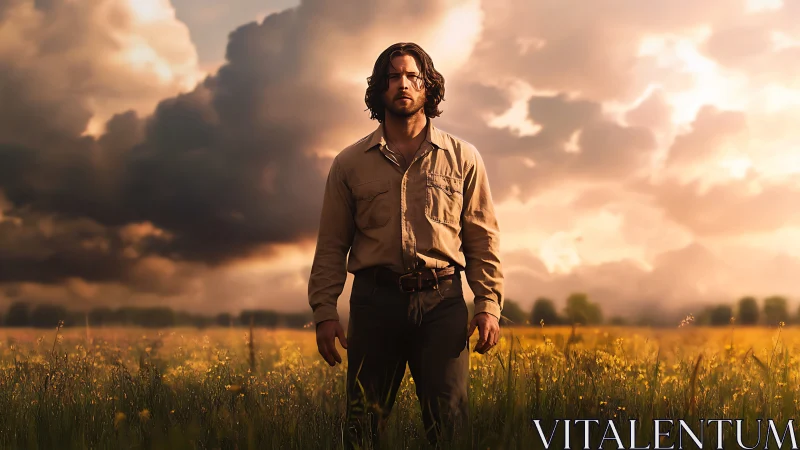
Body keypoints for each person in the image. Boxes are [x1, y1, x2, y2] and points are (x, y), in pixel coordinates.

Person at [308, 42, 504, 449]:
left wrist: (488, 303)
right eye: (393, 76)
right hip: (374, 303)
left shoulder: (463, 157)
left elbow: (482, 239)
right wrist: (324, 310)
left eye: (412, 76)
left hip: (442, 303)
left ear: (428, 87)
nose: (403, 84)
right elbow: (331, 244)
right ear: (379, 90)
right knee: (362, 426)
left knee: (449, 425)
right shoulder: (350, 163)